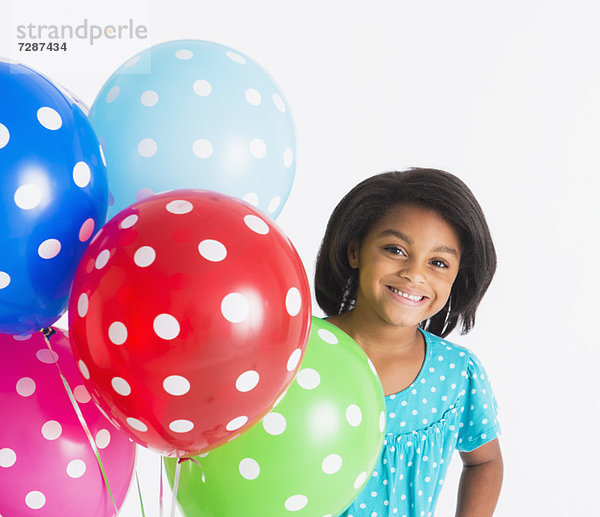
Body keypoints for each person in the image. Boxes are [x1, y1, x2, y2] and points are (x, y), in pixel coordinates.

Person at [315, 168, 503, 517]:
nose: (415, 274)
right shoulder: (299, 352)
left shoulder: (456, 373)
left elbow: (485, 461)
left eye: (438, 262)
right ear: (354, 251)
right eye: (395, 249)